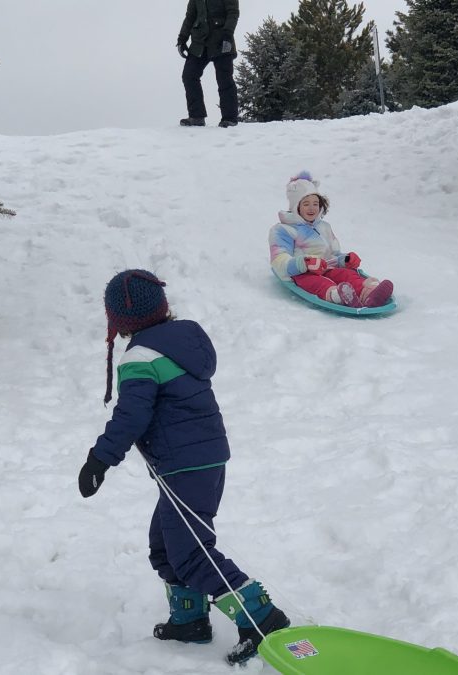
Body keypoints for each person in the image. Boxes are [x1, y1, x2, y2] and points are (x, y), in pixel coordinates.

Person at [77, 269, 289, 664]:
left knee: (192, 552)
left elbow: (131, 418)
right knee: (165, 546)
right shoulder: (182, 341)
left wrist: (99, 458)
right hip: (201, 458)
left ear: (118, 321)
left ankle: (261, 618)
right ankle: (190, 620)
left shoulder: (141, 357)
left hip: (183, 465)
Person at [269, 171, 394, 308]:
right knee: (319, 283)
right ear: (296, 207)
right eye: (306, 204)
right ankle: (339, 296)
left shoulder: (324, 227)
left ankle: (369, 294)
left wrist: (345, 259)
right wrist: (303, 263)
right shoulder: (284, 230)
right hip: (302, 273)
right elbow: (278, 261)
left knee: (347, 275)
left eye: (315, 203)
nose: (312, 208)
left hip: (328, 267)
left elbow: (334, 254)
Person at [177, 0, 240, 128]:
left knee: (224, 79)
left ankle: (230, 119)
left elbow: (233, 12)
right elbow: (190, 16)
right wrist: (182, 39)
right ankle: (196, 116)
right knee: (189, 75)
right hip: (199, 43)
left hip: (221, 40)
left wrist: (228, 34)